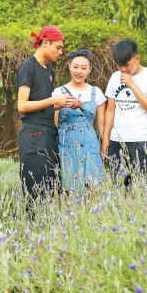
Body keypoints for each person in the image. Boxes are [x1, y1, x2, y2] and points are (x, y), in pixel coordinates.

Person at [16, 25, 80, 199]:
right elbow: (22, 106)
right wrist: (53, 100)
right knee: (36, 188)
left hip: (49, 133)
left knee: (52, 186)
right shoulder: (27, 67)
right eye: (58, 47)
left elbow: (44, 106)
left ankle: (49, 225)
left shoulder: (48, 70)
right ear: (45, 43)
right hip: (33, 134)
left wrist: (64, 103)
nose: (60, 53)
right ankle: (32, 225)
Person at [102, 38, 147, 187]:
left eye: (126, 65)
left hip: (141, 140)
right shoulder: (114, 77)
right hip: (117, 141)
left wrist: (132, 84)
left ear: (137, 58)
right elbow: (110, 109)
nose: (123, 69)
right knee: (120, 187)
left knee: (143, 187)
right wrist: (105, 139)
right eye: (118, 65)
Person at [53, 49, 106, 192]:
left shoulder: (97, 93)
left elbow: (101, 126)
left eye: (83, 68)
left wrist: (105, 145)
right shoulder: (58, 92)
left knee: (94, 188)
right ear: (69, 67)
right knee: (69, 188)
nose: (79, 71)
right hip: (67, 145)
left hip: (90, 145)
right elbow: (54, 123)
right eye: (75, 67)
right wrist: (61, 103)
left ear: (89, 70)